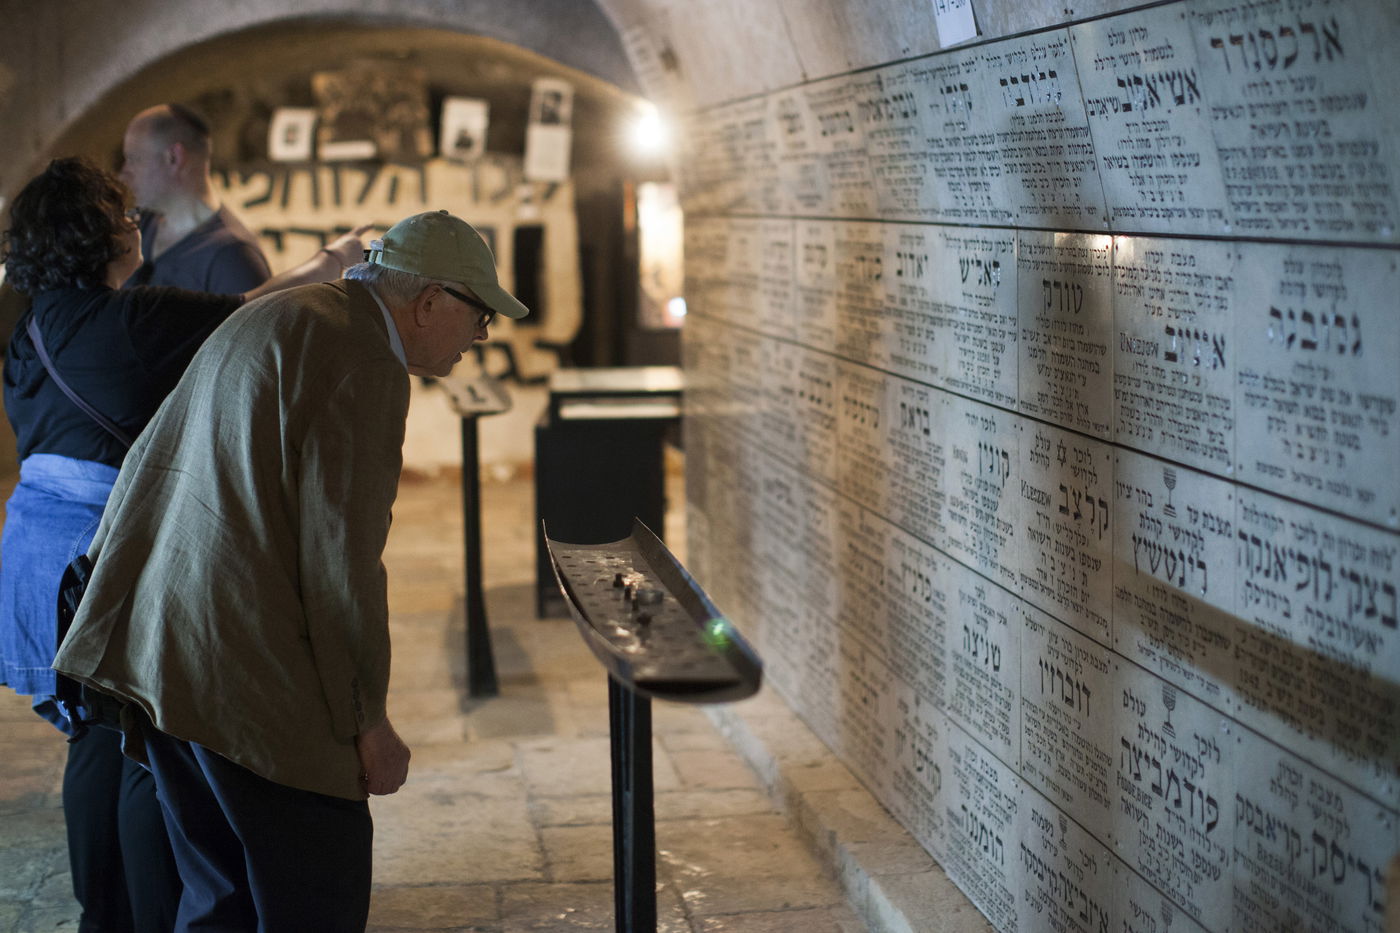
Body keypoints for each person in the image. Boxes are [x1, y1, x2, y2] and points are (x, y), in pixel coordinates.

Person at [54, 209, 529, 931]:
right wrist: (367, 721)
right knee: (318, 885)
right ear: (429, 301)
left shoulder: (291, 311)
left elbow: (148, 464)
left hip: (165, 651)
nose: (481, 338)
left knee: (219, 897)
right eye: (479, 316)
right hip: (235, 670)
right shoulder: (364, 358)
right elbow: (341, 562)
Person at [0, 156, 367, 933]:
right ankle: (142, 914)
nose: (135, 225)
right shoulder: (129, 322)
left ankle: (105, 912)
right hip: (101, 556)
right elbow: (255, 307)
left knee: (95, 742)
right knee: (140, 741)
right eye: (121, 216)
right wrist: (335, 261)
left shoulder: (32, 326)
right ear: (92, 234)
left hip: (35, 555)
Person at [120, 103, 271, 293]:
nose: (124, 173)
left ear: (173, 158)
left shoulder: (232, 260)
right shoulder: (138, 228)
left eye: (134, 159)